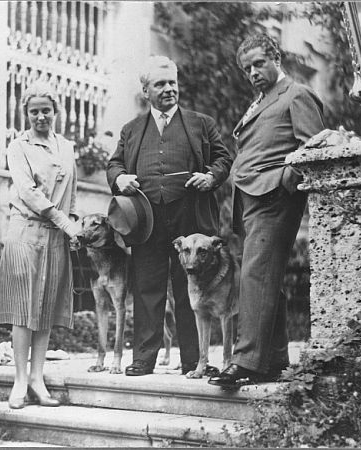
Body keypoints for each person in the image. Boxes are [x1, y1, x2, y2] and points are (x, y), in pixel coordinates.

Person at [209, 33, 325, 388]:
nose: (253, 72)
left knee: (255, 275)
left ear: (276, 57)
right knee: (264, 279)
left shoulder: (297, 94)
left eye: (259, 63)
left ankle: (245, 362)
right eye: (247, 68)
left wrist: (284, 181)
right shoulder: (261, 101)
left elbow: (314, 147)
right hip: (250, 199)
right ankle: (274, 361)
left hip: (274, 197)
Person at [106, 56, 233, 377]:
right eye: (160, 84)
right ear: (145, 90)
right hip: (146, 219)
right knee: (147, 286)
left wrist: (211, 177)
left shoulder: (200, 123)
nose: (168, 89)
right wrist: (120, 178)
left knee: (190, 287)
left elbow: (222, 158)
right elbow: (114, 164)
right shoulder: (132, 129)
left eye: (172, 83)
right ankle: (144, 358)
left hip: (189, 216)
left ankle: (194, 360)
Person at [0, 82, 80, 408]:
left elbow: (72, 188)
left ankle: (38, 379)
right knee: (24, 308)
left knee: (46, 308)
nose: (41, 116)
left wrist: (73, 221)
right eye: (34, 111)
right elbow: (27, 191)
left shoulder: (66, 146)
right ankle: (19, 381)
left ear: (56, 112)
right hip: (26, 231)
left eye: (46, 110)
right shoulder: (18, 146)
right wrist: (62, 219)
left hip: (56, 234)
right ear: (25, 113)